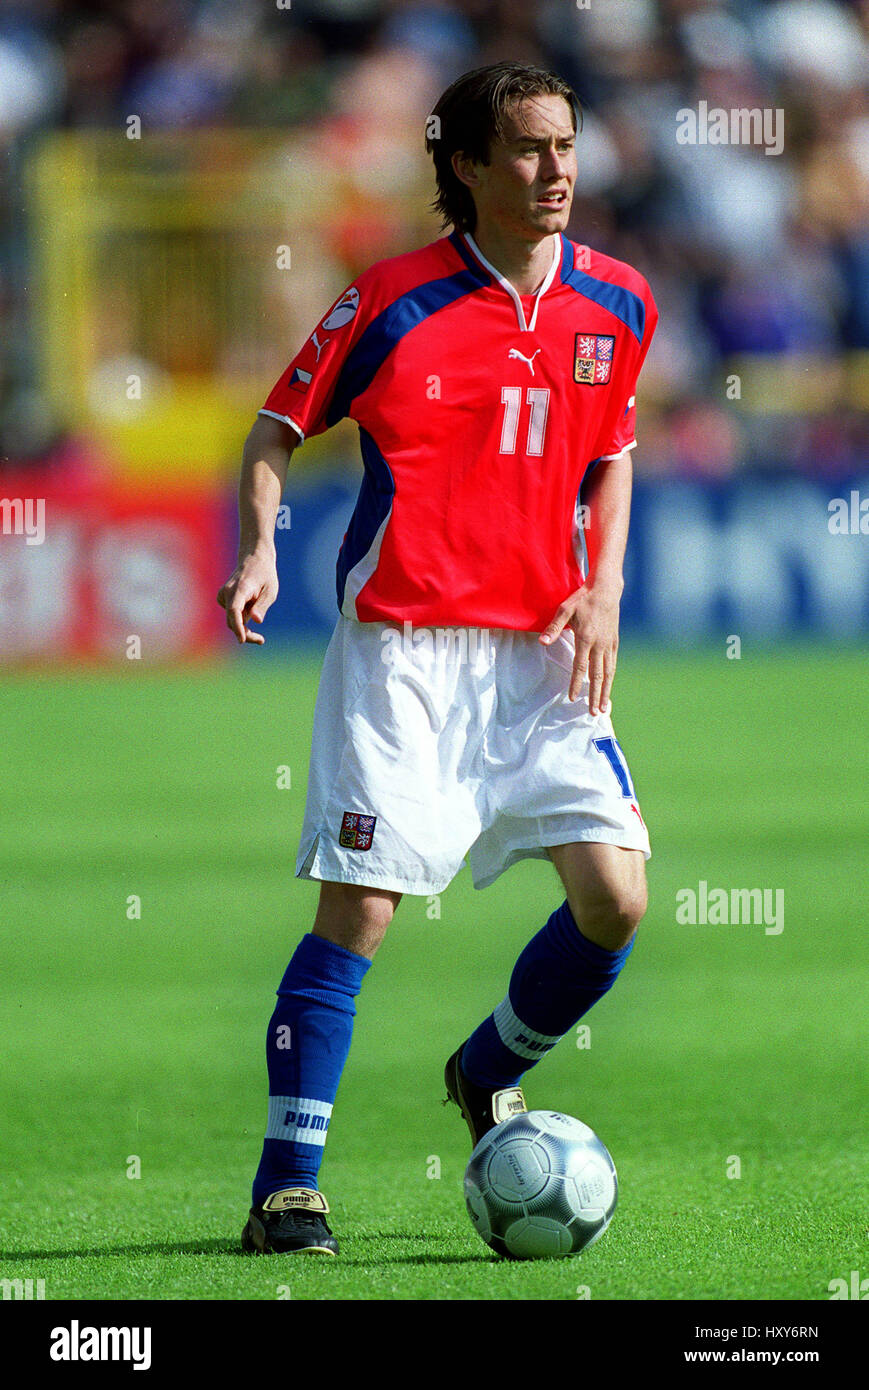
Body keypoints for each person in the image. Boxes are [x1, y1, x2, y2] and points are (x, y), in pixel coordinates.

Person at [217, 61, 658, 1256]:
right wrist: (262, 544)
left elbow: (609, 447)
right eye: (526, 149)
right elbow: (274, 427)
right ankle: (284, 1188)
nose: (556, 170)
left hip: (542, 648)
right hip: (403, 649)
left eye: (565, 146)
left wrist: (604, 584)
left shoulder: (616, 303)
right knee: (361, 910)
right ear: (464, 166)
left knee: (615, 899)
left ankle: (485, 1066)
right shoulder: (390, 303)